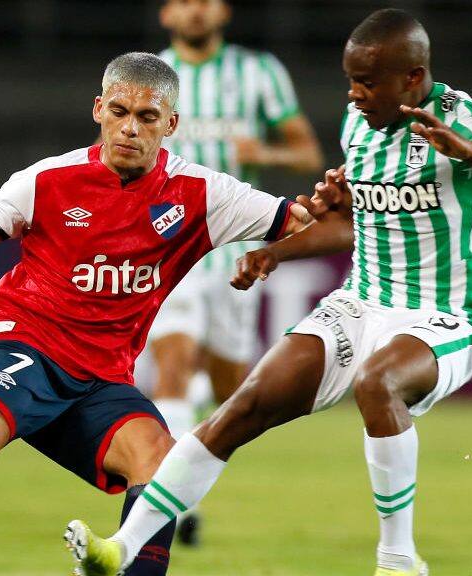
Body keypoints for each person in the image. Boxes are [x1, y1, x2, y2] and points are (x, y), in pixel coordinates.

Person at [67, 9, 472, 576]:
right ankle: (121, 549)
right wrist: (276, 252)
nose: (354, 94)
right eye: (351, 80)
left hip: (439, 315)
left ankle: (398, 559)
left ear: (412, 78)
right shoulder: (358, 125)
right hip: (359, 303)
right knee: (241, 407)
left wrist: (470, 153)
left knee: (377, 383)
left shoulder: (461, 118)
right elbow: (355, 224)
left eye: (367, 82)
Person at [0, 52, 308, 576]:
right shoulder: (48, 180)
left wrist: (351, 200)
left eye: (147, 117)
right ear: (99, 109)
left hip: (101, 376)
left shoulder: (203, 194)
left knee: (161, 467)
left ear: (171, 124)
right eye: (119, 112)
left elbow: (301, 222)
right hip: (29, 344)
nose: (130, 128)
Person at [147, 2, 322, 546]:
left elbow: (307, 152)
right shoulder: (149, 75)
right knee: (172, 364)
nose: (196, 10)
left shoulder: (258, 72)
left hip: (234, 253)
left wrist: (264, 151)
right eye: (185, 0)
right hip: (167, 248)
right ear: (167, 12)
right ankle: (176, 507)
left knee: (230, 389)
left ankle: (197, 402)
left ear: (223, 9)